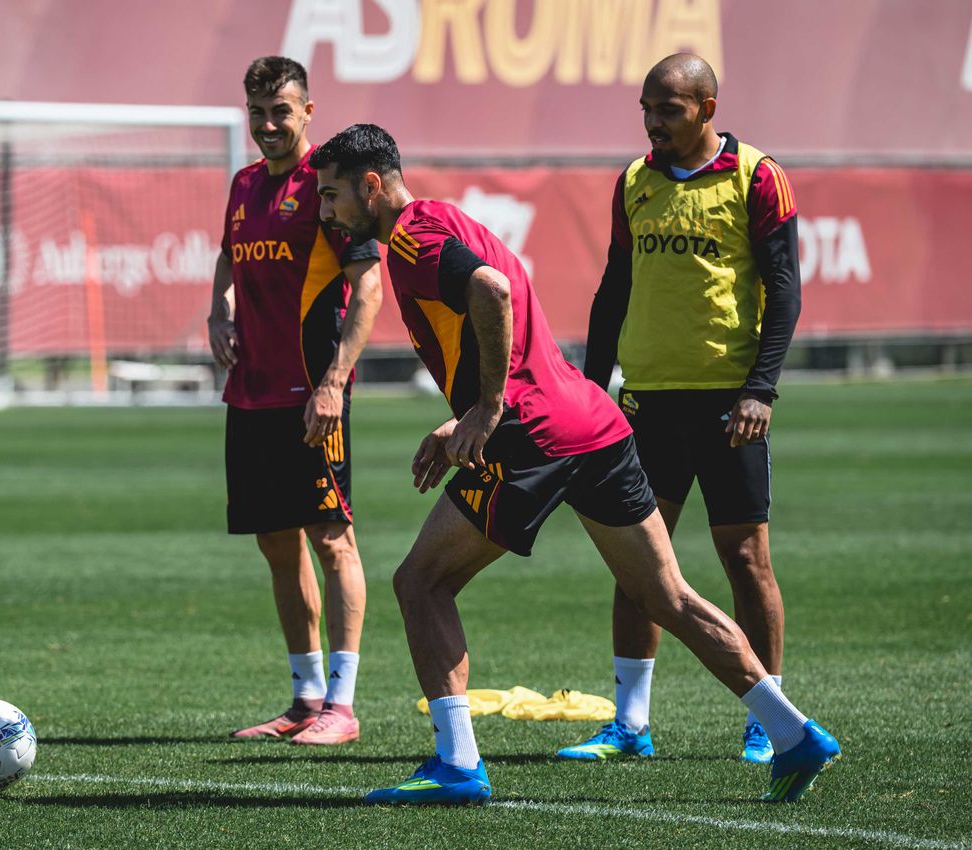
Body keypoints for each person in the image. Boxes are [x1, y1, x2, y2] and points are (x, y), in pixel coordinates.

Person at [309, 123, 837, 804]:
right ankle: (793, 734)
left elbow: (493, 293)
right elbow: (500, 316)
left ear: (371, 186)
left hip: (533, 436)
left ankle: (458, 765)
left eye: (331, 196)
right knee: (668, 597)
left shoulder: (410, 238)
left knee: (420, 582)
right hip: (591, 420)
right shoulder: (444, 218)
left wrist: (489, 409)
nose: (325, 211)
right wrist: (467, 412)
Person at [558, 54, 802, 766]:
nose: (652, 122)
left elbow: (784, 289)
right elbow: (613, 289)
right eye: (646, 108)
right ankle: (630, 724)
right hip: (646, 403)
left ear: (706, 106)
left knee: (746, 558)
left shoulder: (757, 176)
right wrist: (589, 388)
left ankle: (768, 717)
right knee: (639, 562)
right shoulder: (635, 182)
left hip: (729, 402)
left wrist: (761, 388)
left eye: (667, 108)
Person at [208, 57, 383, 746]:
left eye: (280, 111)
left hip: (312, 395)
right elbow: (228, 257)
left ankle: (343, 705)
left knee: (333, 540)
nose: (268, 125)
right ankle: (306, 698)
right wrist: (219, 312)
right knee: (277, 544)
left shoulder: (328, 186)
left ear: (308, 110)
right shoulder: (245, 183)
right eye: (257, 112)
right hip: (249, 394)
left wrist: (335, 381)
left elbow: (367, 285)